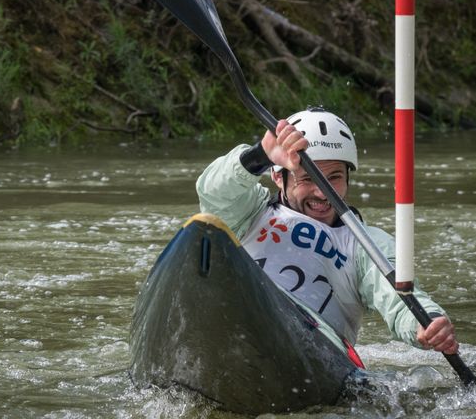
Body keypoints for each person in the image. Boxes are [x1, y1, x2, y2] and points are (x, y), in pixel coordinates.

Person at [196, 107, 459, 354]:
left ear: (348, 178)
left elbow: (399, 300)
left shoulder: (367, 244)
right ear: (278, 176)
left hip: (314, 351)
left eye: (334, 178)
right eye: (308, 178)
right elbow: (213, 193)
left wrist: (427, 323)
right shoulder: (250, 212)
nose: (322, 192)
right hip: (241, 327)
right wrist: (260, 156)